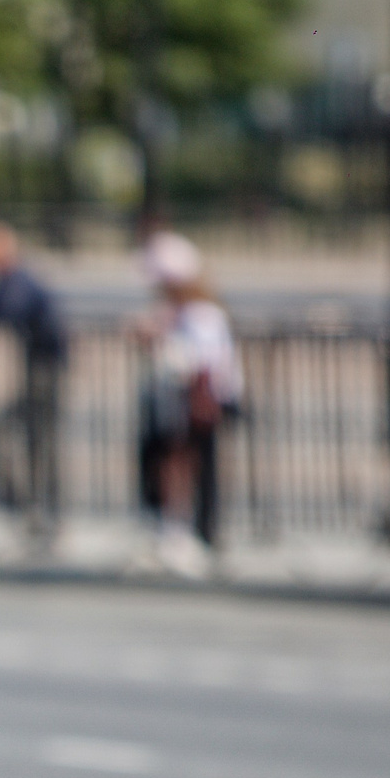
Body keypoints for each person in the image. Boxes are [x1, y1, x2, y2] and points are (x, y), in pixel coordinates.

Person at [132, 231, 240, 575]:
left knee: (188, 467)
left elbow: (201, 362)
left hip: (194, 404)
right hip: (180, 402)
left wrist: (163, 344)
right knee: (176, 467)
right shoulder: (180, 312)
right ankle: (179, 534)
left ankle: (195, 537)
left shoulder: (200, 314)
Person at [0, 219, 67, 546]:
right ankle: (28, 506)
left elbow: (7, 310)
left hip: (44, 371)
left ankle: (44, 510)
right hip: (34, 369)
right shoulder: (10, 280)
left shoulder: (19, 280)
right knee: (13, 435)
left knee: (40, 442)